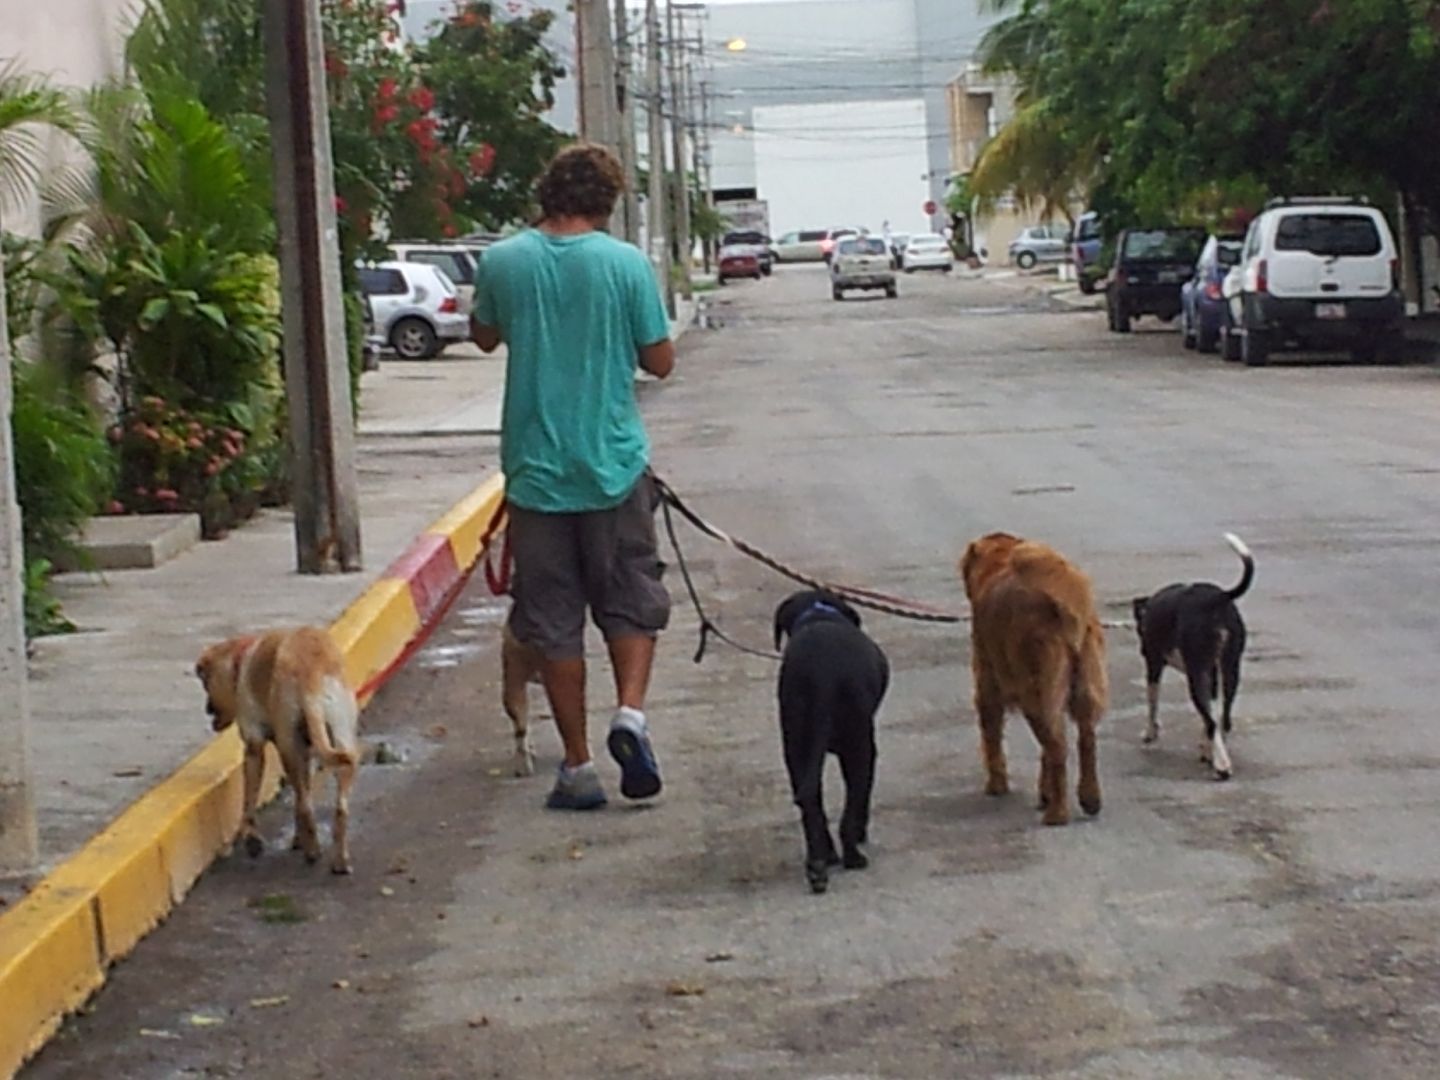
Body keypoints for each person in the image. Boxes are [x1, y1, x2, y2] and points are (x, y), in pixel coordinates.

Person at [470, 144, 676, 810]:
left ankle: (580, 767)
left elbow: (481, 335)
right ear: (608, 202)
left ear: (546, 191)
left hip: (535, 477)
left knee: (553, 620)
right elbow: (661, 361)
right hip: (613, 467)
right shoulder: (625, 265)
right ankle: (630, 717)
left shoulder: (503, 260)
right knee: (630, 599)